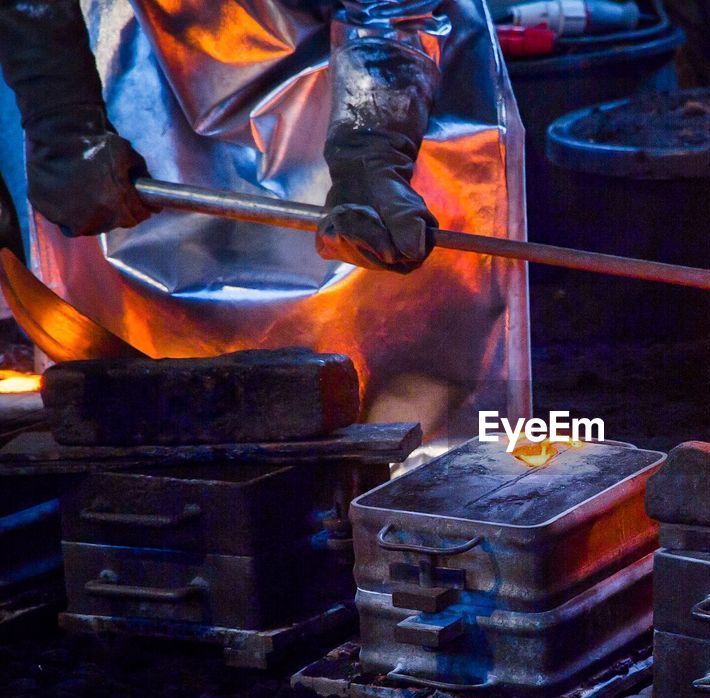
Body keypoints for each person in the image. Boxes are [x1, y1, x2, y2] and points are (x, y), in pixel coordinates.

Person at [0, 0, 530, 447]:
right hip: (144, 70)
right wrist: (64, 122)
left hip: (380, 62)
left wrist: (375, 151)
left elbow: (391, 8)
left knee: (410, 431)